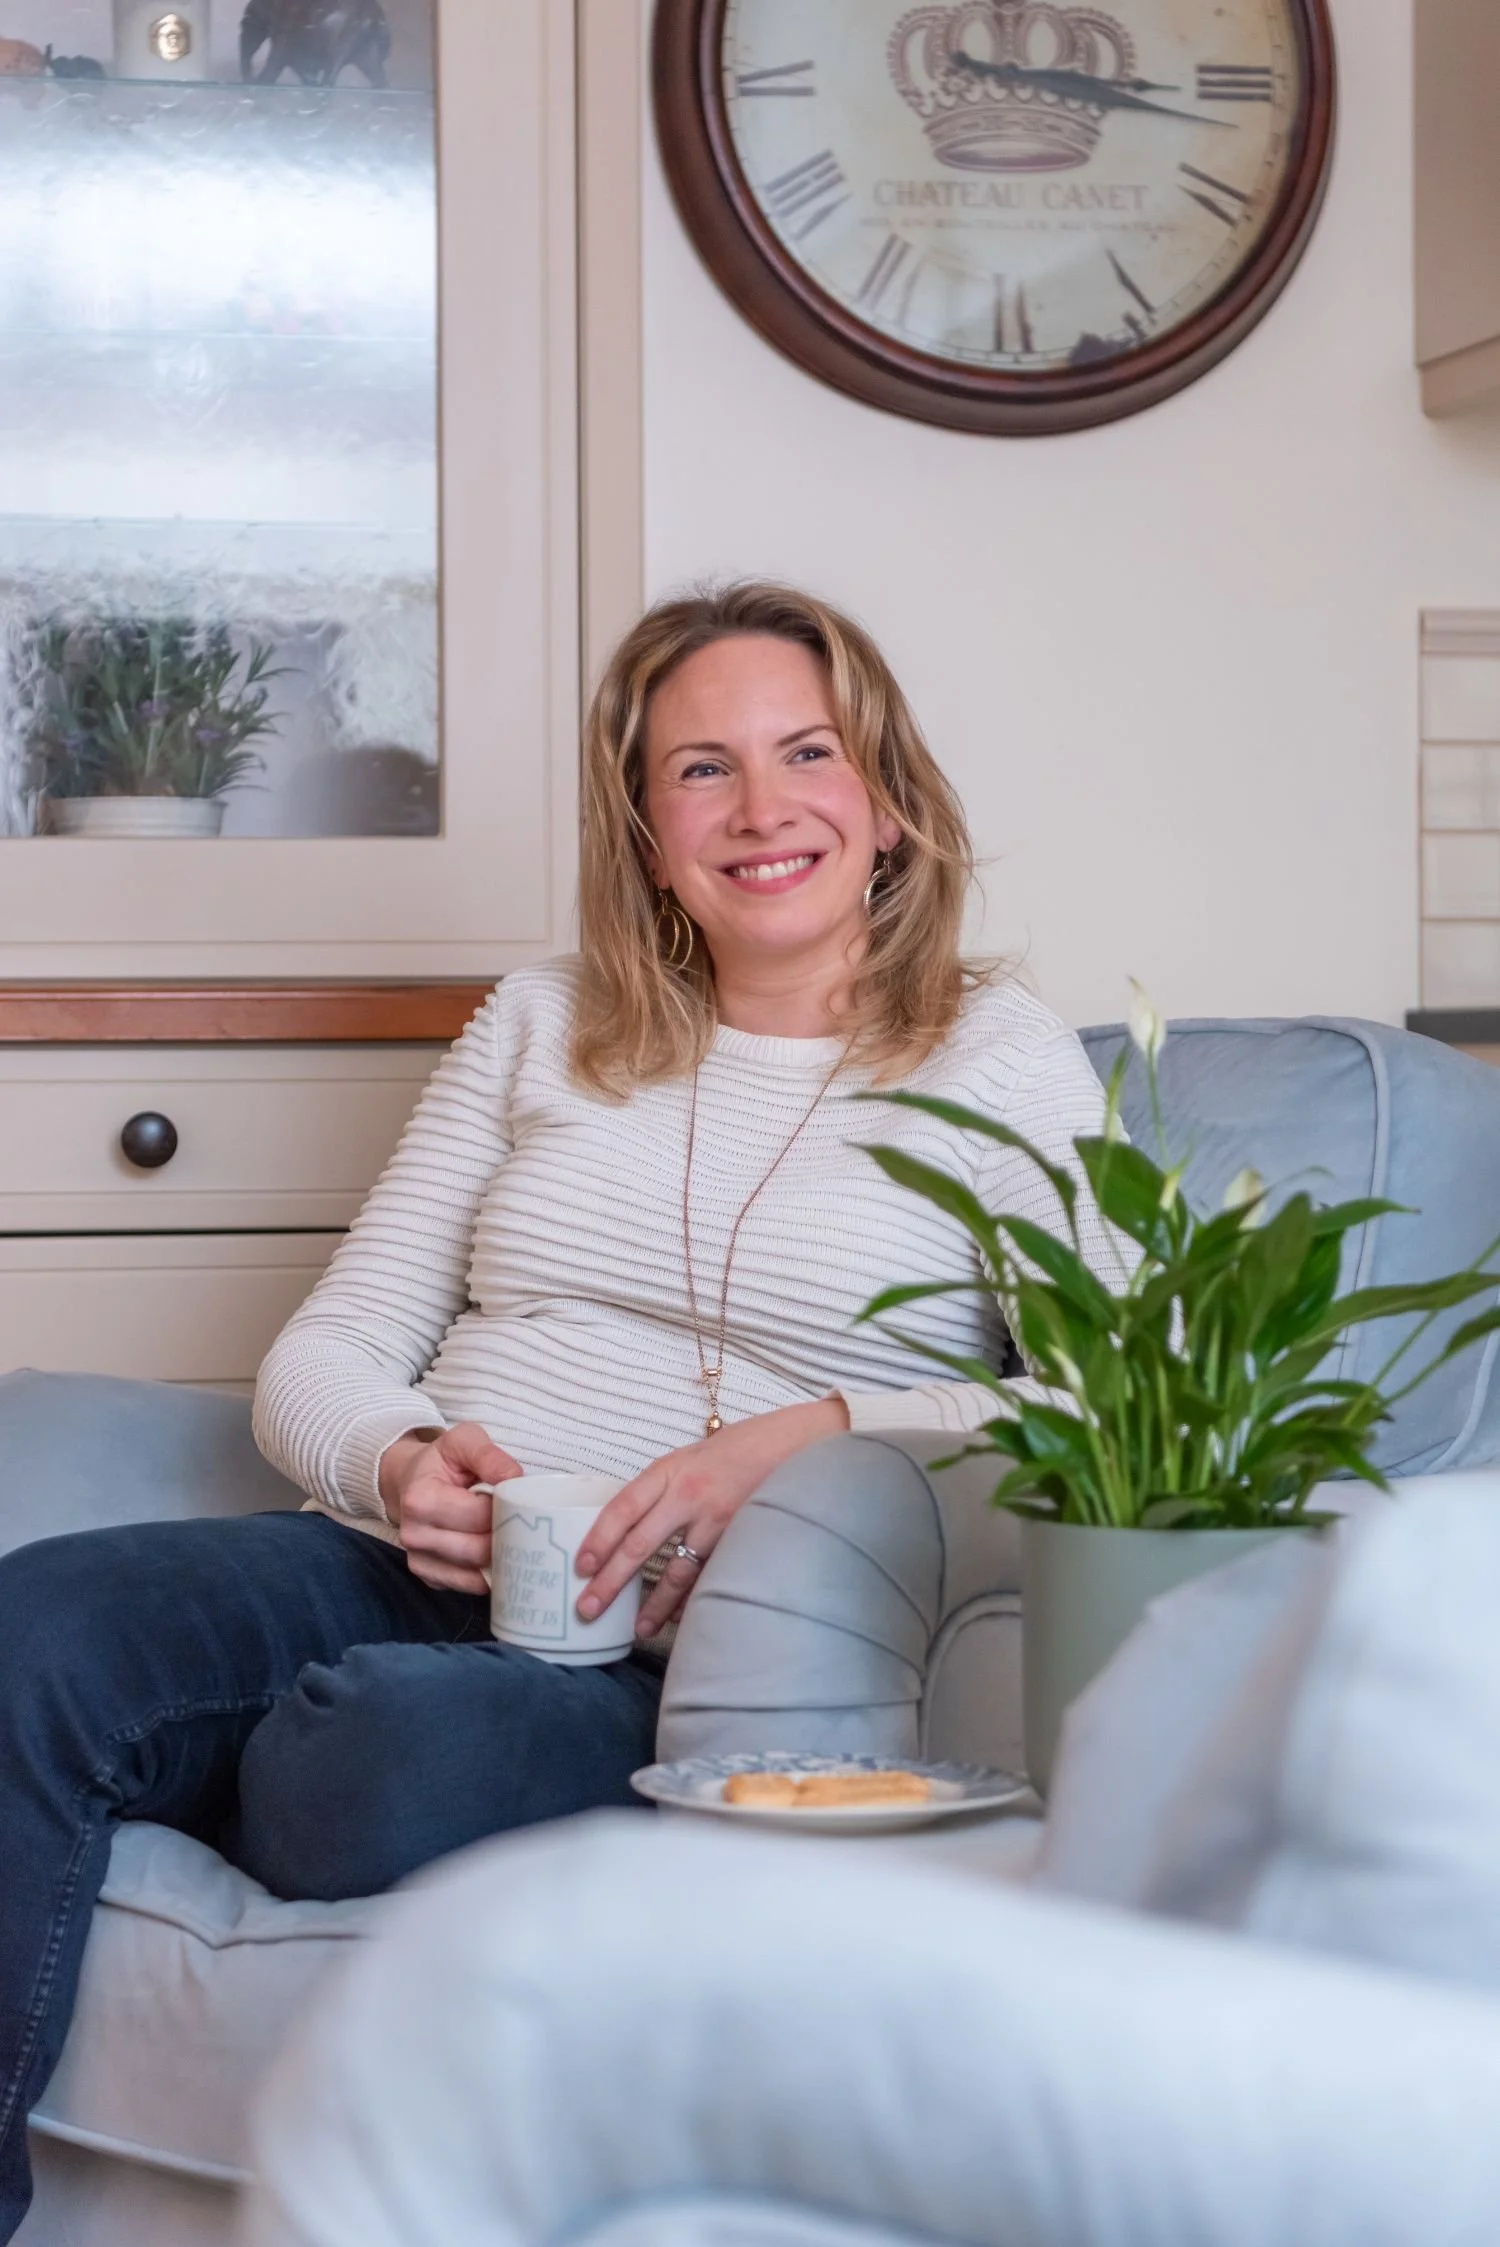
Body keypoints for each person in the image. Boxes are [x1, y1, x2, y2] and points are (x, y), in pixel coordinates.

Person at [0, 581, 1115, 2241]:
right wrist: (395, 1459)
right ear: (645, 826)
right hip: (404, 1563)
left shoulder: (999, 1058)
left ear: (884, 799)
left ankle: (241, 1754)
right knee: (31, 1624)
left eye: (805, 752)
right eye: (699, 771)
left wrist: (816, 1437)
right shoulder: (543, 1023)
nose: (759, 809)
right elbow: (329, 1347)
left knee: (374, 1754)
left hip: (689, 1657)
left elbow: (1115, 1399)